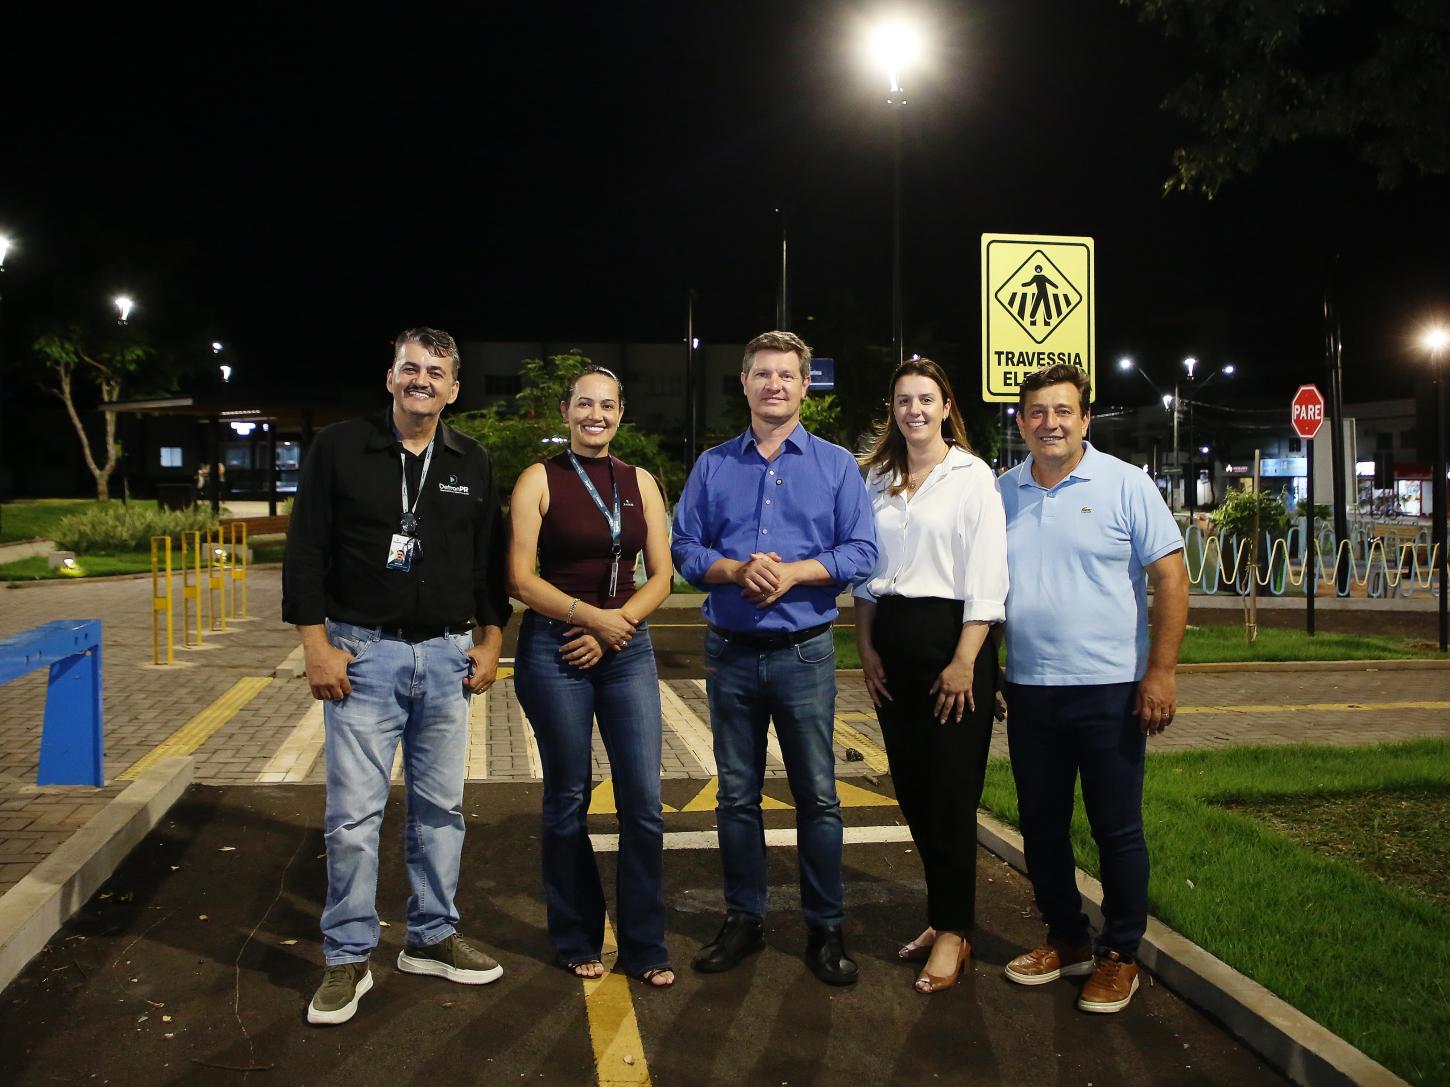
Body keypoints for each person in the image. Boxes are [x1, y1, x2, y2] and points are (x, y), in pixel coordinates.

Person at [283, 327, 511, 1025]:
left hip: (445, 658)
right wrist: (315, 646)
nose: (421, 379)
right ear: (390, 378)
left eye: (435, 371)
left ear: (453, 388)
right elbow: (306, 547)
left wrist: (491, 637)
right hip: (362, 656)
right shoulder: (340, 448)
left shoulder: (470, 460)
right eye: (410, 367)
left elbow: (486, 561)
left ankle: (432, 935)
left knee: (440, 811)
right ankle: (348, 955)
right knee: (353, 816)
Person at [672, 329, 878, 986]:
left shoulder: (837, 465)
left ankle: (825, 926)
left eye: (787, 375)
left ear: (804, 383)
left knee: (818, 796)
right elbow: (684, 550)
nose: (774, 385)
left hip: (804, 653)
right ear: (745, 382)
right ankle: (744, 919)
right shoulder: (713, 466)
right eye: (762, 374)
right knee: (736, 796)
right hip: (730, 653)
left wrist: (795, 573)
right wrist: (733, 568)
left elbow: (862, 552)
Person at [998, 363, 1188, 1014]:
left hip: (1110, 691)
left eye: (1063, 411)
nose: (1050, 422)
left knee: (1116, 829)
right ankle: (1067, 939)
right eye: (1037, 412)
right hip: (1028, 689)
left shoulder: (1126, 484)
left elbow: (1170, 579)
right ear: (1021, 421)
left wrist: (1159, 673)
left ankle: (1120, 954)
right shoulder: (1002, 492)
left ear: (1084, 418)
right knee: (1042, 828)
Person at [507, 366, 676, 988]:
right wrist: (590, 619)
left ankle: (645, 944)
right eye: (584, 404)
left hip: (625, 645)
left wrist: (617, 625)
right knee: (567, 799)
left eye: (606, 405)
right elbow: (520, 579)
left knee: (644, 802)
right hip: (557, 649)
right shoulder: (538, 480)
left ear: (620, 413)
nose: (595, 415)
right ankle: (576, 935)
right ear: (565, 411)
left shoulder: (640, 482)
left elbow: (661, 574)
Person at [853, 358, 1008, 994]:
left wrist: (966, 660)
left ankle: (955, 932)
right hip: (892, 647)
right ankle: (942, 917)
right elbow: (866, 570)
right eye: (902, 400)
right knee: (915, 794)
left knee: (950, 797)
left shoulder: (973, 478)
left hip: (954, 650)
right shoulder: (876, 479)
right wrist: (865, 647)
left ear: (947, 407)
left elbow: (988, 577)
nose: (913, 410)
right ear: (891, 409)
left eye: (926, 399)